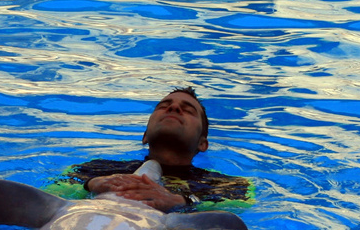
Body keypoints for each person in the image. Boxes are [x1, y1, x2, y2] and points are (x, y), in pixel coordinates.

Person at [48, 87, 254, 212]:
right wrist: (90, 185)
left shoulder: (228, 186)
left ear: (203, 144)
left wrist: (179, 201)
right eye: (164, 106)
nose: (173, 108)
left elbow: (236, 211)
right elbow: (51, 194)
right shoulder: (96, 170)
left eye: (188, 110)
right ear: (144, 136)